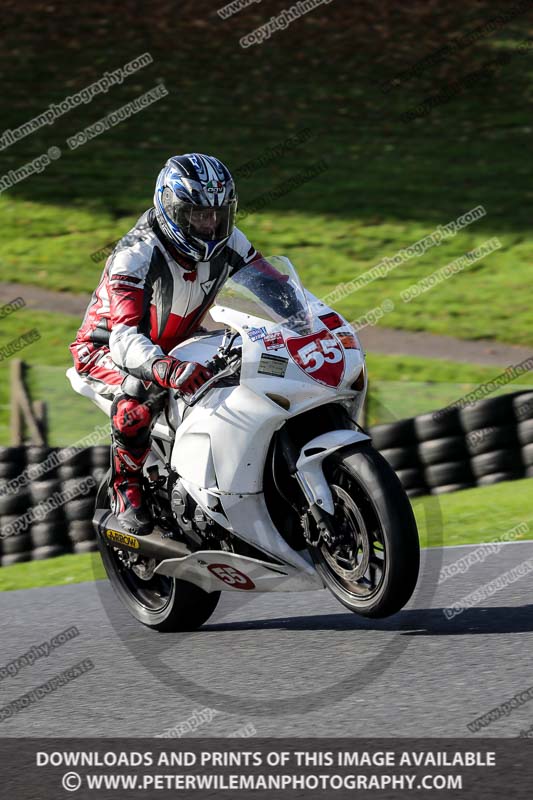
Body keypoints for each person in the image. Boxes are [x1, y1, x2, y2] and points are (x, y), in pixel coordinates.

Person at [70, 154, 264, 536]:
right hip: (108, 350)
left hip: (180, 342)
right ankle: (126, 488)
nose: (209, 225)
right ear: (172, 209)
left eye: (218, 215)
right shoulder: (136, 253)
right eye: (198, 215)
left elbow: (272, 288)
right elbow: (124, 336)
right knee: (139, 394)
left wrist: (305, 319)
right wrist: (162, 367)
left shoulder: (230, 242)